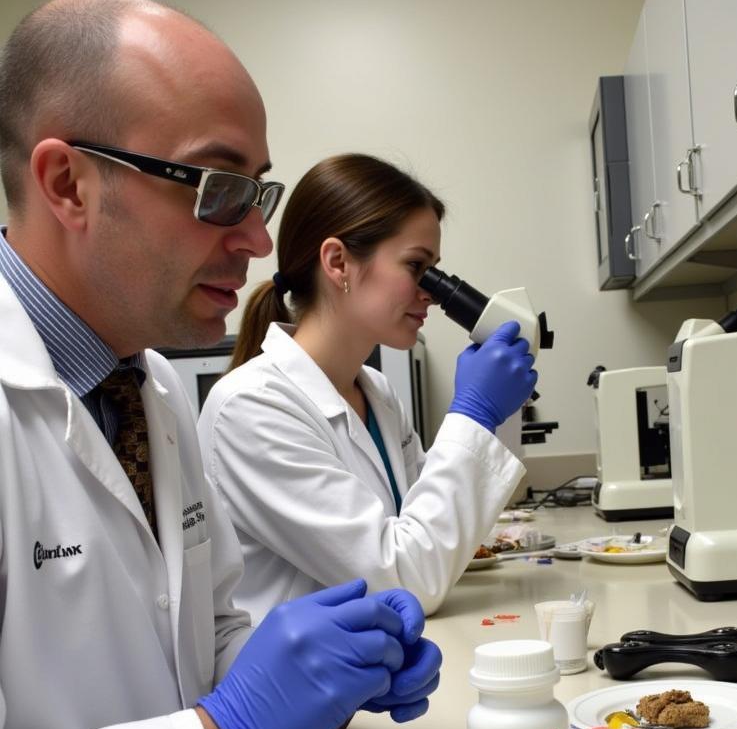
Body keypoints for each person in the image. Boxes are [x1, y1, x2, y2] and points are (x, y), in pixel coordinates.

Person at [0, 0, 441, 729]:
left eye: (259, 194)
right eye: (214, 190)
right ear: (67, 180)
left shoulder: (149, 388)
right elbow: (208, 724)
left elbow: (208, 643)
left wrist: (323, 700)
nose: (254, 242)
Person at [196, 153, 536, 622]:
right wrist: (473, 413)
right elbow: (407, 579)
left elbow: (437, 537)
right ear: (338, 263)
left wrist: (497, 413)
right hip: (307, 691)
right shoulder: (250, 408)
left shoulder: (374, 391)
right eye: (417, 267)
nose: (432, 292)